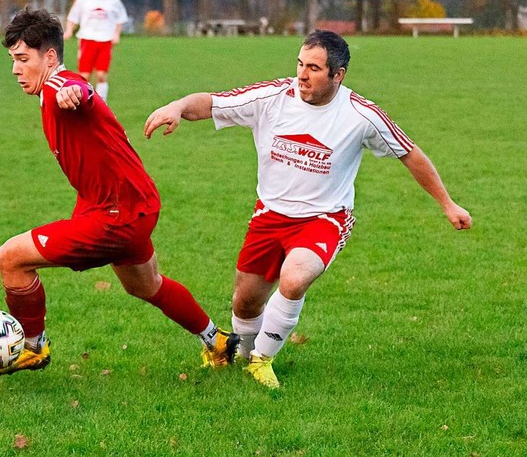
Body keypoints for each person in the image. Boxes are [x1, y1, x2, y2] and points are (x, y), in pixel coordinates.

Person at [144, 30, 472, 389]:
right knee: (246, 301)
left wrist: (447, 203)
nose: (302, 74)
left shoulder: (361, 115)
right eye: (300, 64)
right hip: (269, 215)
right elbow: (211, 102)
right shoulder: (273, 97)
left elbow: (410, 153)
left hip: (324, 217)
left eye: (314, 68)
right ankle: (241, 356)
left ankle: (262, 360)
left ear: (338, 75)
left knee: (295, 277)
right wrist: (176, 106)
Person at [0, 8, 239, 376]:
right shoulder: (49, 89)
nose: (16, 69)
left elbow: (80, 90)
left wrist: (75, 92)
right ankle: (217, 340)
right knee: (147, 285)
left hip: (115, 215)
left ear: (49, 57)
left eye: (23, 59)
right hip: (135, 205)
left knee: (11, 258)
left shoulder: (58, 86)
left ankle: (34, 347)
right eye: (13, 60)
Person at [63, 0, 127, 102]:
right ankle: (83, 100)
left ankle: (101, 101)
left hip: (105, 40)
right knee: (84, 75)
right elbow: (73, 17)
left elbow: (121, 18)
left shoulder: (113, 0)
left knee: (101, 74)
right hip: (87, 39)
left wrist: (116, 34)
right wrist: (69, 30)